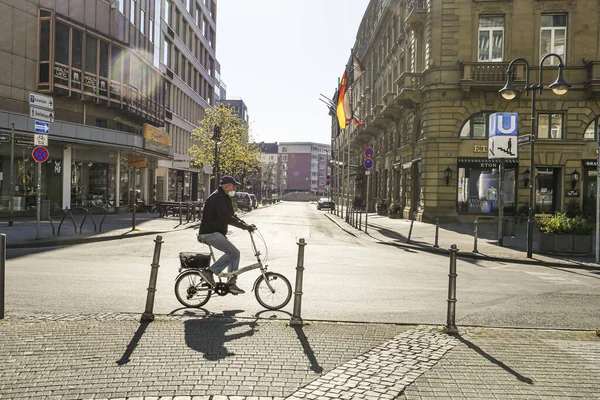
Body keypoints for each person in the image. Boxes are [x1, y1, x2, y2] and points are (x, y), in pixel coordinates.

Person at [197, 176, 255, 295]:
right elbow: (227, 218)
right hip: (209, 233)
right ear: (226, 186)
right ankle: (209, 272)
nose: (235, 188)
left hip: (216, 232)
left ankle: (231, 283)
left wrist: (247, 225)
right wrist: (244, 227)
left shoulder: (225, 197)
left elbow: (233, 216)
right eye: (234, 186)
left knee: (235, 254)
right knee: (233, 252)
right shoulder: (218, 198)